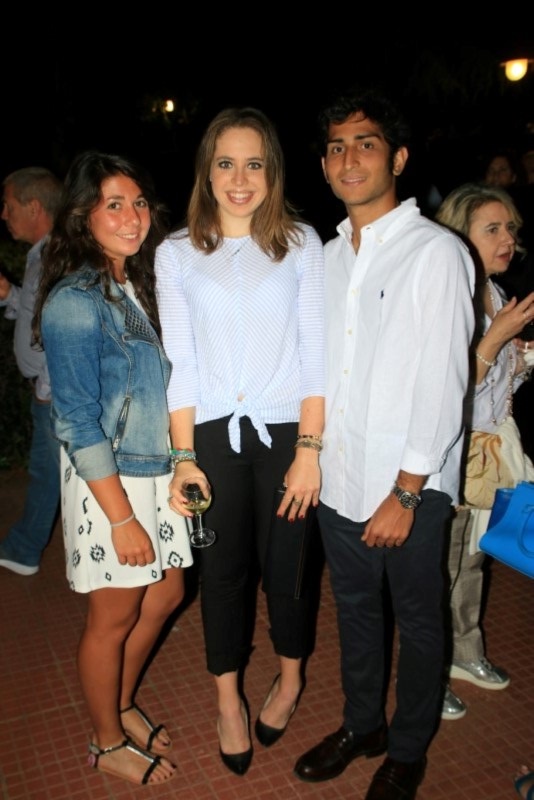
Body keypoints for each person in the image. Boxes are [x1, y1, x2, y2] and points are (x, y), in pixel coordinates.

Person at [292, 88, 475, 800]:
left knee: (421, 622)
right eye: (336, 147)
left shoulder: (436, 253)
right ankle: (362, 725)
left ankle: (407, 748)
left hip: (408, 486)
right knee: (356, 611)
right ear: (324, 165)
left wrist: (408, 490)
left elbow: (443, 381)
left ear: (397, 158)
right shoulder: (328, 256)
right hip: (339, 478)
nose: (349, 159)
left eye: (365, 143)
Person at [155, 107, 325, 776]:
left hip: (287, 435)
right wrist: (183, 459)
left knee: (289, 568)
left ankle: (290, 676)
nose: (240, 178)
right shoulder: (176, 252)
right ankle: (227, 698)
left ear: (272, 172)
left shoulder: (302, 244)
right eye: (226, 163)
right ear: (207, 171)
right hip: (210, 437)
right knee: (221, 573)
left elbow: (315, 356)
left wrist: (309, 448)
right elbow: (181, 365)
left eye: (254, 164)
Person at [33, 151, 193, 786]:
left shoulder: (135, 285)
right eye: (114, 205)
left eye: (139, 203)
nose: (133, 218)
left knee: (167, 593)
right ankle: (105, 741)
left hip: (154, 468)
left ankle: (120, 704)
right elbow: (75, 421)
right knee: (114, 617)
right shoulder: (75, 300)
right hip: (111, 480)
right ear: (83, 216)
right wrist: (121, 518)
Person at [434, 183, 534, 720]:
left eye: (510, 228)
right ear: (458, 238)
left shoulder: (495, 292)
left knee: (473, 559)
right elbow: (448, 388)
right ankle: (428, 672)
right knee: (438, 566)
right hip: (450, 452)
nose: (507, 239)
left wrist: (521, 354)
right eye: (492, 229)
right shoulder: (449, 297)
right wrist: (496, 339)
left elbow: (496, 384)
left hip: (489, 453)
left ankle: (464, 652)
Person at [0, 167, 63, 575]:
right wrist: (10, 294)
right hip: (49, 390)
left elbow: (62, 328)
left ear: (34, 207)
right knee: (50, 474)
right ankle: (23, 550)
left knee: (53, 473)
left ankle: (23, 551)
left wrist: (47, 389)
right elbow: (37, 312)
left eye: (8, 206)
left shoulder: (56, 256)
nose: (4, 215)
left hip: (55, 393)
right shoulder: (42, 255)